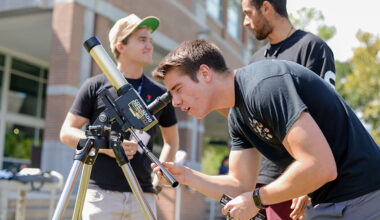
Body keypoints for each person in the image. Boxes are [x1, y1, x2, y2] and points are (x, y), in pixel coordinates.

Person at [151, 39, 380, 220]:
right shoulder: (237, 115)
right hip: (329, 202)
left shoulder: (264, 86)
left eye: (178, 89)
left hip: (366, 196)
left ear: (204, 73)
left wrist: (257, 200)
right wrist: (188, 176)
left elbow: (320, 167)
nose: (175, 102)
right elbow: (240, 185)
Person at [60, 14, 179, 219]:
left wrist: (158, 180)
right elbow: (66, 132)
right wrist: (106, 146)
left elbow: (172, 142)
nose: (149, 46)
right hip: (100, 195)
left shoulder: (160, 93)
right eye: (142, 40)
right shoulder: (95, 86)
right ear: (120, 46)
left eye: (150, 41)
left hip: (142, 193)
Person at [241, 0, 336, 219]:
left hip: (297, 185)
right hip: (262, 183)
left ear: (266, 7)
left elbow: (326, 118)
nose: (245, 22)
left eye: (248, 13)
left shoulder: (312, 48)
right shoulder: (254, 61)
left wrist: (309, 184)